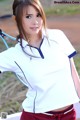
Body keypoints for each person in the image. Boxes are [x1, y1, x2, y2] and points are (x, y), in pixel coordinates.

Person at [0, 0, 80, 120]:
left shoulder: (58, 36)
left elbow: (73, 74)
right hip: (37, 116)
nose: (35, 21)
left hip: (69, 114)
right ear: (17, 19)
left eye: (38, 15)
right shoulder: (13, 55)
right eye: (28, 16)